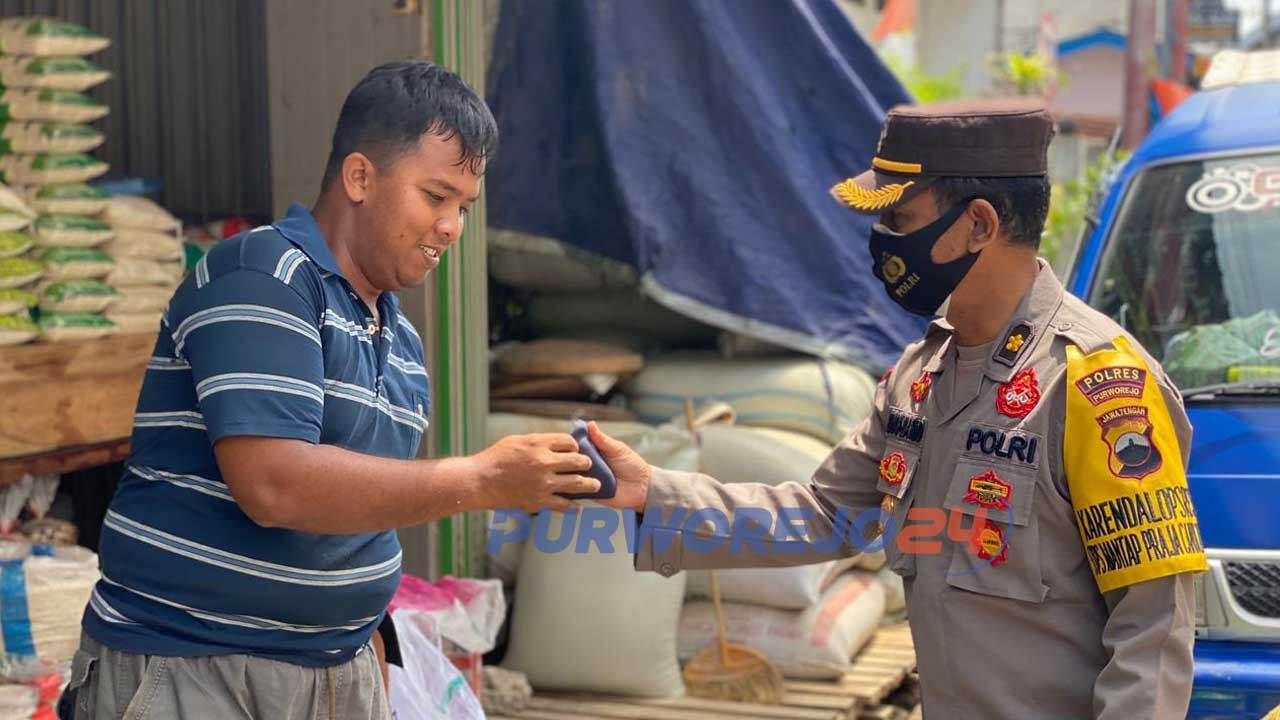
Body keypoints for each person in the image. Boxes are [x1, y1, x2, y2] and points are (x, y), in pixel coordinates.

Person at [589, 99, 1207, 719]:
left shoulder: (1097, 384)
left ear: (979, 225)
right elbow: (822, 514)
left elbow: (1152, 630)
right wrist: (653, 493)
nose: (882, 241)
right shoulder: (919, 375)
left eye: (900, 218)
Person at [61, 61, 597, 719]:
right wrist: (484, 479)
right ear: (360, 176)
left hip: (338, 675)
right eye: (435, 196)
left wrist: (363, 647)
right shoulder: (263, 276)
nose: (452, 227)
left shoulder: (402, 345)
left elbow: (357, 510)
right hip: (193, 670)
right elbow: (275, 486)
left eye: (464, 206)